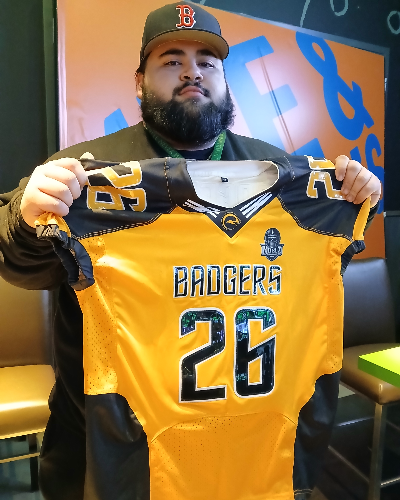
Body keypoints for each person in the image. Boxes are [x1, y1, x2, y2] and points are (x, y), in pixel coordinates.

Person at [0, 2, 381, 499]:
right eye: (171, 60)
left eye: (207, 61)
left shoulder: (283, 173)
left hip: (251, 449)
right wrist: (26, 218)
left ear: (223, 79)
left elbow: (315, 281)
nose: (192, 72)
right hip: (111, 449)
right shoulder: (85, 173)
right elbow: (18, 265)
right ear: (139, 81)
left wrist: (356, 196)